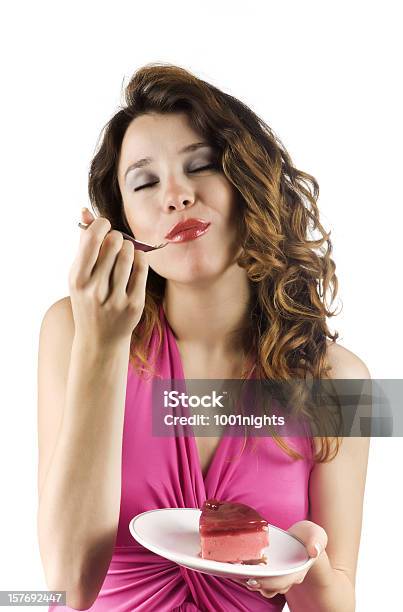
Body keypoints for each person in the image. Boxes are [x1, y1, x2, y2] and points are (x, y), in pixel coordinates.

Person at [37, 63, 370, 611]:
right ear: (124, 223)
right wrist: (102, 344)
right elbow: (66, 589)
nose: (176, 196)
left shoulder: (343, 381)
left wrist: (306, 569)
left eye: (203, 166)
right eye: (145, 182)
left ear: (250, 184)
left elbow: (338, 602)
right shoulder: (71, 329)